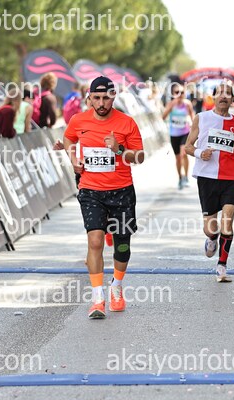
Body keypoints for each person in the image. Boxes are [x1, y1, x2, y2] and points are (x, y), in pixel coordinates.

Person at [63, 76, 145, 319]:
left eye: (106, 98)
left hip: (121, 191)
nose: (101, 103)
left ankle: (116, 287)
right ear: (89, 98)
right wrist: (73, 158)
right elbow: (69, 138)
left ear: (113, 97)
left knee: (122, 245)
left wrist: (119, 149)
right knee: (95, 241)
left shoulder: (126, 123)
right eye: (96, 98)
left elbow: (139, 157)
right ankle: (97, 298)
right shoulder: (78, 120)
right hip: (91, 190)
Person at [185, 81, 234, 282]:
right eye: (220, 93)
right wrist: (200, 153)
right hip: (207, 177)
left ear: (233, 99)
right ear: (213, 97)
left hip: (232, 177)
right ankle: (212, 238)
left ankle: (222, 266)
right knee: (211, 228)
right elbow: (188, 146)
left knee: (228, 220)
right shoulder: (202, 118)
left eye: (228, 93)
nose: (224, 96)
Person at [162, 82, 194, 189]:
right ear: (173, 93)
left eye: (182, 92)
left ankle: (186, 177)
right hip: (174, 134)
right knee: (178, 158)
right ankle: (180, 178)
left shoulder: (187, 104)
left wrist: (193, 125)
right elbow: (163, 117)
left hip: (185, 132)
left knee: (183, 153)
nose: (180, 94)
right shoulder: (171, 104)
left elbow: (192, 117)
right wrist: (170, 108)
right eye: (177, 92)